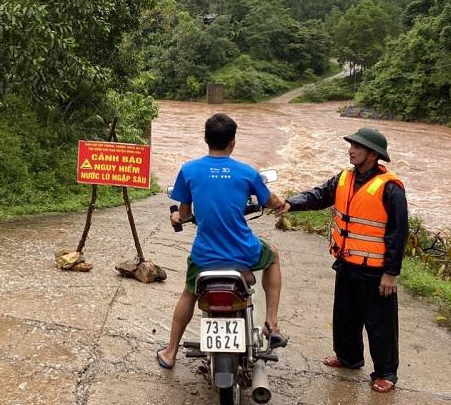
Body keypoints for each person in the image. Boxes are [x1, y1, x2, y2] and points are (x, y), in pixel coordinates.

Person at [277, 127, 408, 393]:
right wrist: (291, 203)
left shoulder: (391, 188)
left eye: (357, 147)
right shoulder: (345, 177)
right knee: (345, 315)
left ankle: (386, 373)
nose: (351, 150)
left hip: (375, 270)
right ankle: (349, 358)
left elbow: (398, 233)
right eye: (351, 145)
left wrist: (391, 273)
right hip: (347, 262)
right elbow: (319, 195)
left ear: (373, 154)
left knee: (380, 323)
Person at [156, 113, 287, 369]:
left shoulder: (189, 170)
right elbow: (269, 200)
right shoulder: (247, 172)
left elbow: (184, 214)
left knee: (189, 293)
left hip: (205, 257)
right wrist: (280, 203)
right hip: (244, 252)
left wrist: (177, 216)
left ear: (206, 139)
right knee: (273, 254)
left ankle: (170, 352)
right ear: (233, 142)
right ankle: (272, 323)